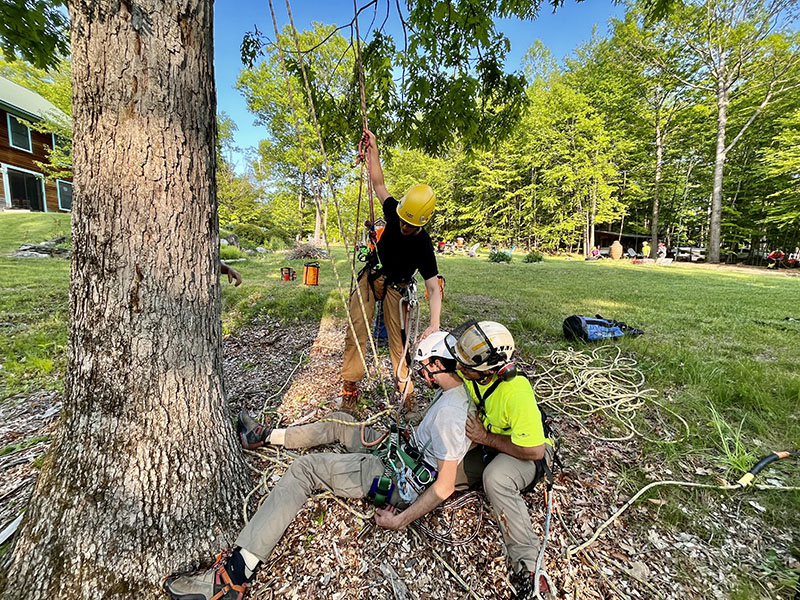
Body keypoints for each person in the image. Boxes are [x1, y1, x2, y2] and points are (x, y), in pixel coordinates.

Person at [163, 332, 472, 600]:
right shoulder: (455, 392)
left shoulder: (450, 415)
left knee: (305, 470)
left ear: (436, 365)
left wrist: (400, 520)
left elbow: (443, 486)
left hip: (396, 480)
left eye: (423, 366)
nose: (421, 373)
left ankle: (233, 575)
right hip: (401, 452)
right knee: (341, 421)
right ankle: (264, 436)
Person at [446, 320, 554, 599]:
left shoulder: (515, 392)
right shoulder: (474, 378)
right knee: (445, 474)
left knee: (495, 478)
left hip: (527, 451)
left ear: (488, 371)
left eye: (465, 366)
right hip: (492, 442)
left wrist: (485, 438)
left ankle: (530, 567)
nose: (459, 368)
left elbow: (535, 451)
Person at [341, 129, 442, 411]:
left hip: (397, 287)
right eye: (402, 221)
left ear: (422, 224)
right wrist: (373, 149)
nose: (404, 227)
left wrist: (434, 323)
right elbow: (378, 183)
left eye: (411, 226)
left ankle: (406, 393)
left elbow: (433, 288)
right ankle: (350, 387)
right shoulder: (395, 211)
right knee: (357, 329)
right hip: (372, 277)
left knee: (399, 343)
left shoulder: (423, 244)